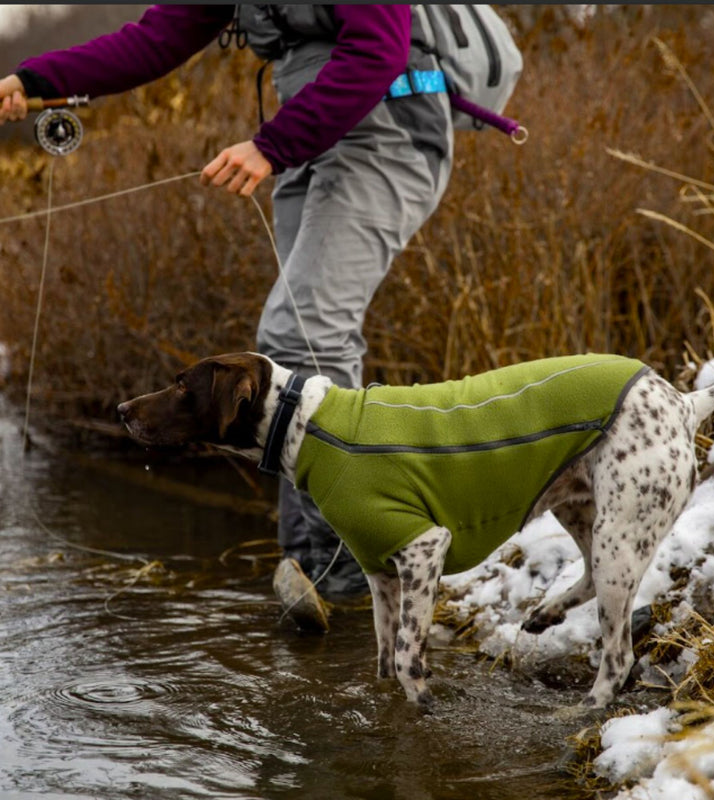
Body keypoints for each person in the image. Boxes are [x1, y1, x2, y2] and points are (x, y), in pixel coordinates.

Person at [0, 5, 454, 629]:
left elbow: (378, 49)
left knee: (307, 330)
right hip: (312, 143)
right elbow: (156, 39)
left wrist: (272, 146)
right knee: (285, 341)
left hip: (389, 135)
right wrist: (35, 79)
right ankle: (313, 566)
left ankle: (351, 570)